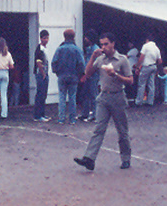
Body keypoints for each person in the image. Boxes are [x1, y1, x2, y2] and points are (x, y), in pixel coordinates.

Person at [74, 32, 134, 171]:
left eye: (106, 44)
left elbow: (130, 80)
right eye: (102, 44)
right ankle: (89, 158)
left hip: (118, 96)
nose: (104, 47)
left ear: (113, 44)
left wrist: (116, 75)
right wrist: (92, 58)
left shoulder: (122, 59)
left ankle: (125, 158)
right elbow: (87, 73)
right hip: (103, 97)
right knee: (98, 129)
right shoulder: (100, 59)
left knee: (122, 131)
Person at [51, 29, 85, 125]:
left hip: (62, 75)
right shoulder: (77, 49)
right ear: (73, 37)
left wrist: (56, 72)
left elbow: (54, 62)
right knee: (72, 97)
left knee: (61, 97)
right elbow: (81, 64)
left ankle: (61, 118)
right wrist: (80, 74)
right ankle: (72, 119)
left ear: (64, 36)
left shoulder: (60, 49)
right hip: (73, 75)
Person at [135, 32, 161, 106]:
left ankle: (139, 101)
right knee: (151, 84)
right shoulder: (157, 48)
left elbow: (142, 56)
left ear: (147, 40)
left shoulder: (145, 46)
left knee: (142, 84)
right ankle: (150, 102)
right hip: (154, 66)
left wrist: (138, 66)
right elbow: (160, 61)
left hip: (146, 66)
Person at [79, 30, 100, 122]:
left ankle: (94, 114)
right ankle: (85, 113)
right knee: (86, 94)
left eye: (87, 37)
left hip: (93, 74)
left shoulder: (95, 49)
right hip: (88, 74)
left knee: (93, 94)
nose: (85, 39)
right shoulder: (90, 48)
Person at [32, 30, 50, 122]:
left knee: (44, 94)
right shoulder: (39, 49)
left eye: (47, 38)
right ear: (40, 38)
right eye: (44, 38)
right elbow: (38, 62)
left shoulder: (44, 48)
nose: (46, 40)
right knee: (40, 94)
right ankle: (37, 115)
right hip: (40, 74)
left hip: (44, 73)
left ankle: (42, 114)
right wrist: (43, 73)